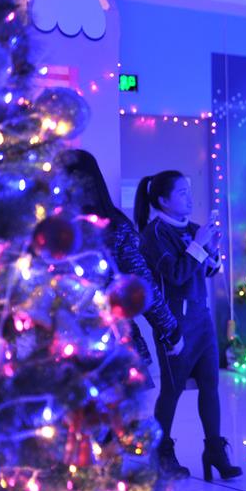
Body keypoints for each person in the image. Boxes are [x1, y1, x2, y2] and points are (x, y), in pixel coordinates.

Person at [134, 170, 241, 481]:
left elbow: (203, 272)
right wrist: (198, 245)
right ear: (163, 200)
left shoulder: (195, 229)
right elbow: (176, 275)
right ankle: (162, 452)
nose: (189, 198)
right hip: (174, 325)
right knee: (173, 389)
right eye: (182, 192)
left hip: (202, 320)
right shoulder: (153, 235)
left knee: (211, 385)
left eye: (189, 190)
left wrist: (212, 253)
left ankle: (215, 450)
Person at [56, 149, 185, 386]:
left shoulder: (50, 229)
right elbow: (142, 286)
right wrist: (171, 330)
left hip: (59, 348)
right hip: (113, 343)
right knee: (125, 419)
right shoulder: (114, 225)